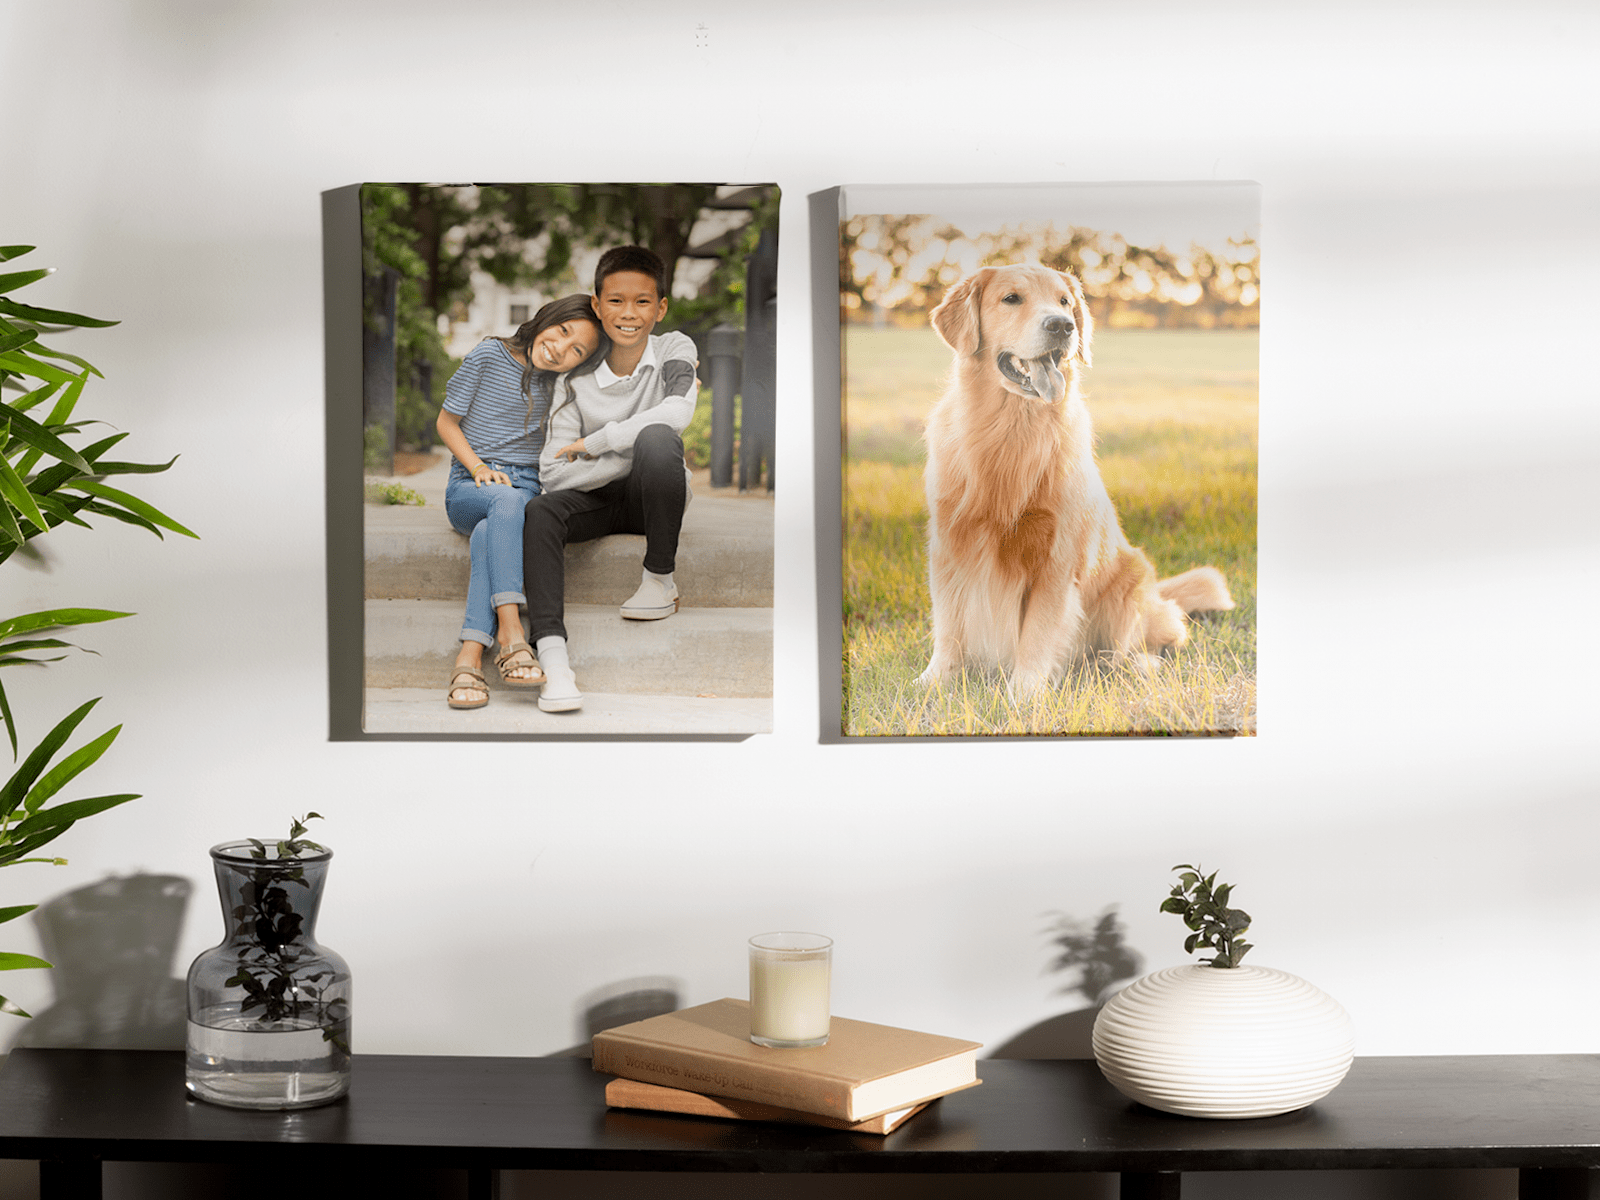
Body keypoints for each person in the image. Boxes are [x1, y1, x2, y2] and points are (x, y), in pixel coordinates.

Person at [522, 245, 699, 713]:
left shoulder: (675, 349)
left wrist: (600, 442)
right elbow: (554, 474)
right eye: (615, 301)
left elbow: (677, 412)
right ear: (597, 306)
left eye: (643, 302)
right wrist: (626, 452)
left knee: (659, 440)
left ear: (660, 308)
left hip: (653, 497)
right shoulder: (573, 378)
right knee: (539, 510)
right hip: (594, 500)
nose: (629, 313)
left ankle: (660, 580)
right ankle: (554, 662)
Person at [437, 295, 606, 710]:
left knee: (490, 530)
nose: (560, 348)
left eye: (576, 351)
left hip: (523, 489)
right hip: (470, 485)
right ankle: (511, 632)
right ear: (548, 317)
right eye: (563, 331)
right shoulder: (488, 355)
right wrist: (478, 468)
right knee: (505, 504)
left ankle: (469, 656)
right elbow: (446, 422)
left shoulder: (563, 385)